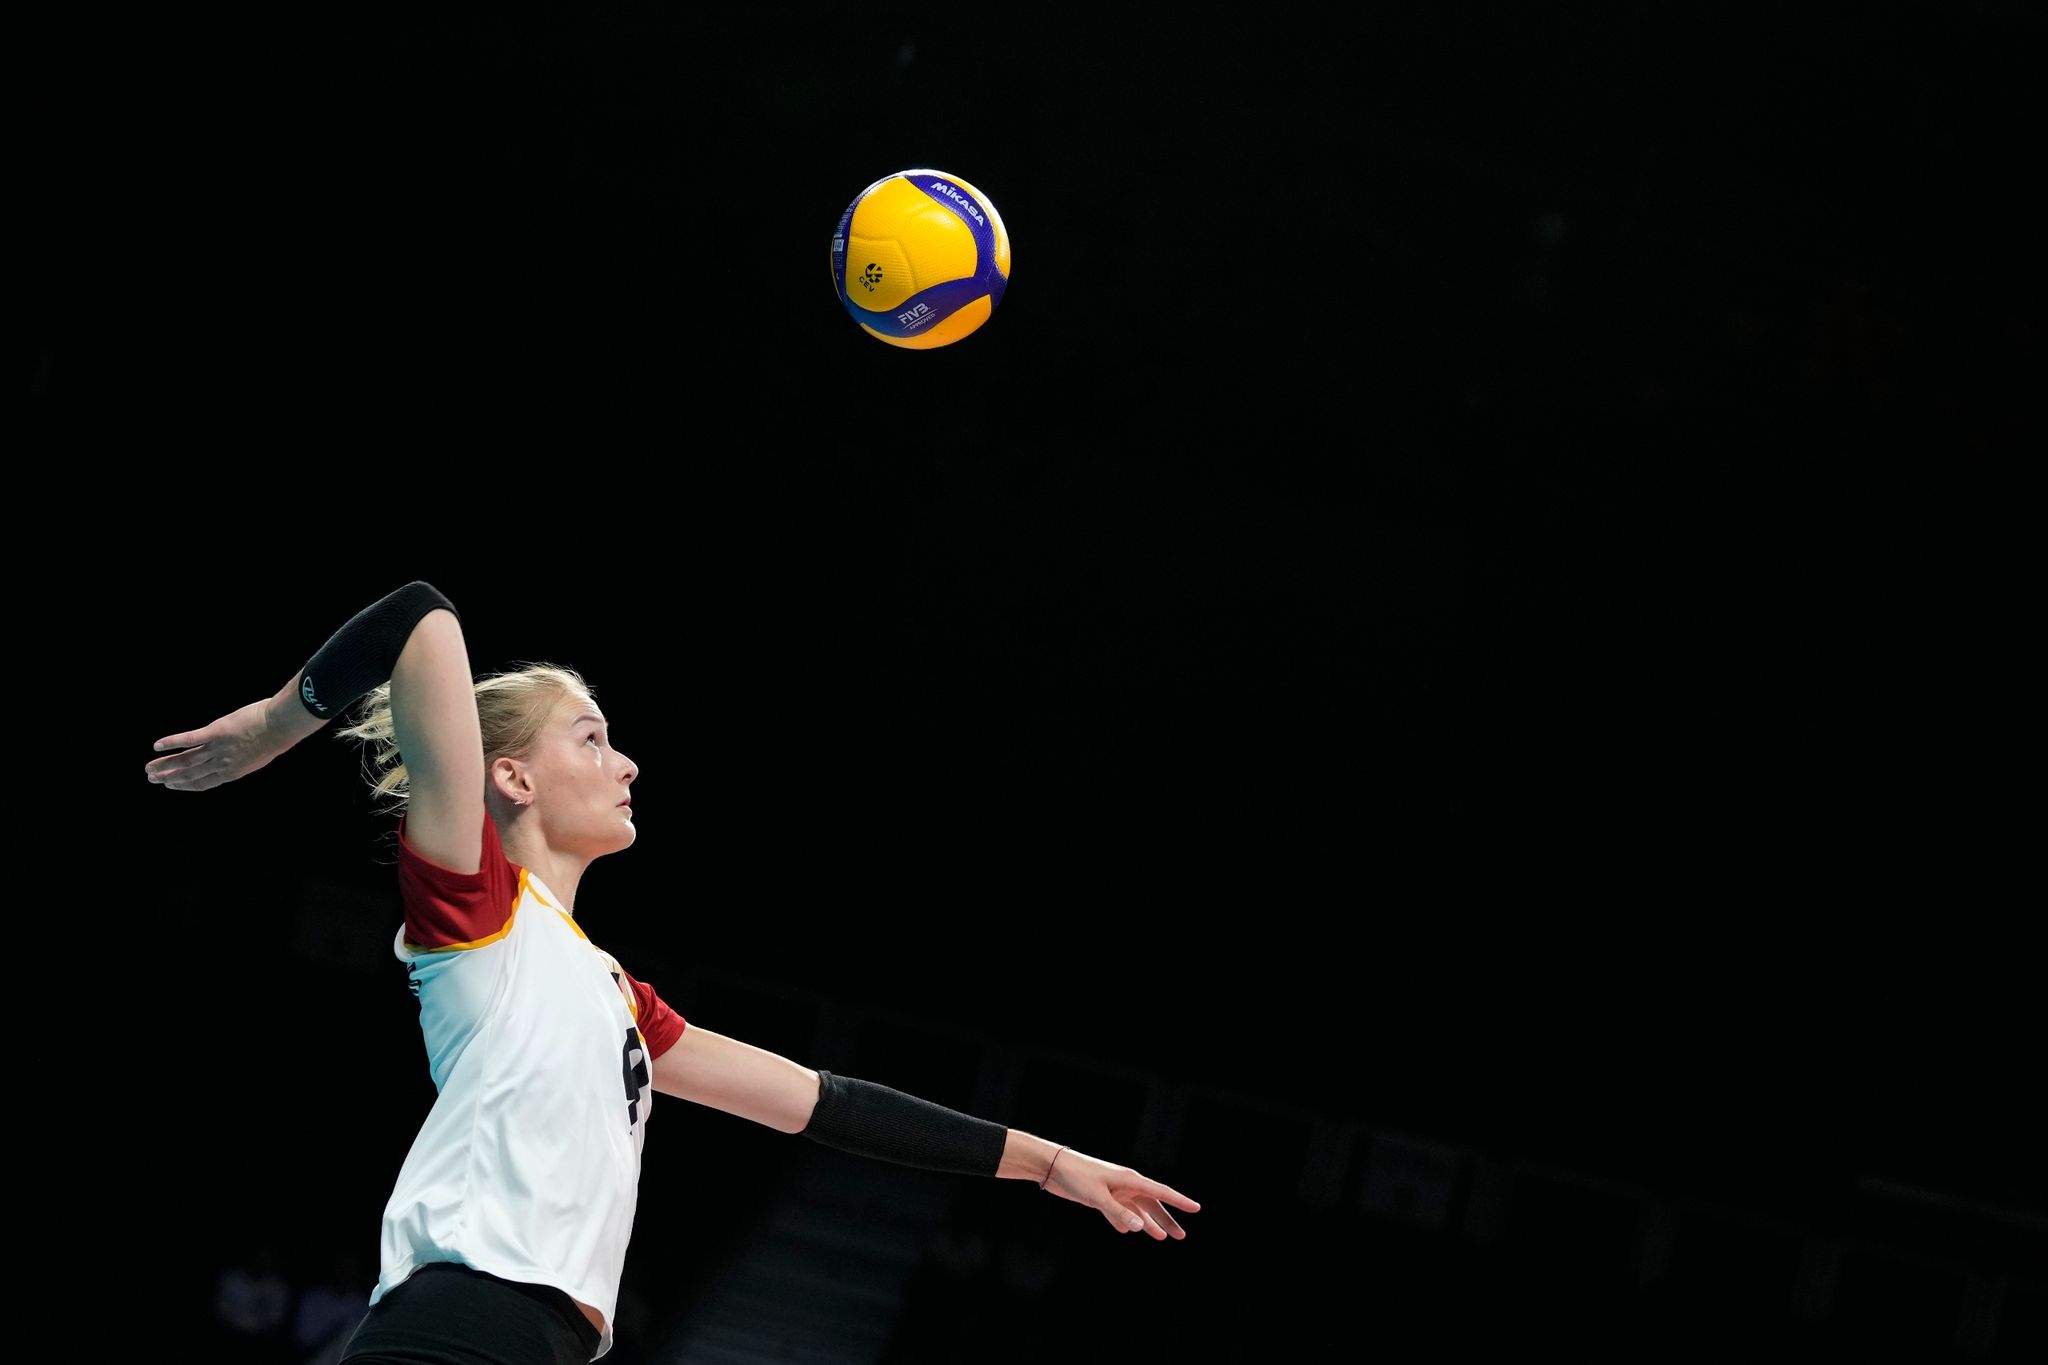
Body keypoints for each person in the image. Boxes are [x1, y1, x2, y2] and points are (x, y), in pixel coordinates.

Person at [145, 580, 1201, 1365]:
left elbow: (823, 1104)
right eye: (593, 739)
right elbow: (421, 617)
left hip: (536, 1343)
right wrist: (276, 724)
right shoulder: (475, 910)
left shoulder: (614, 996)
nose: (628, 762)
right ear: (506, 774)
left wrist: (1051, 1162)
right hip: (460, 1322)